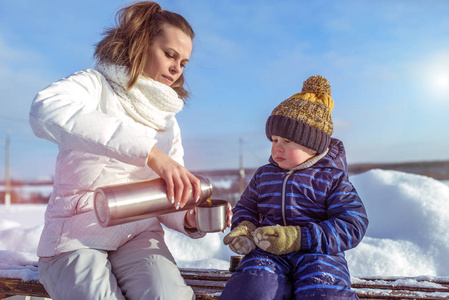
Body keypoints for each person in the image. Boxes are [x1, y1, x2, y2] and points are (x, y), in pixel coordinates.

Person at [29, 2, 231, 299]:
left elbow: (167, 194)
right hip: (75, 234)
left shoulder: (166, 119)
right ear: (142, 45)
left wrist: (188, 218)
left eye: (184, 62)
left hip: (137, 234)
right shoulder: (94, 85)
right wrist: (149, 152)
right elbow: (43, 110)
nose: (176, 68)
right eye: (169, 54)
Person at [220, 75, 368, 299]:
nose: (276, 150)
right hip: (267, 252)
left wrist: (299, 238)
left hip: (319, 255)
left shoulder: (332, 179)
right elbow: (246, 207)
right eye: (274, 140)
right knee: (252, 288)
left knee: (324, 292)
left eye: (286, 142)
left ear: (313, 145)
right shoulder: (264, 175)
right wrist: (246, 227)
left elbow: (352, 224)